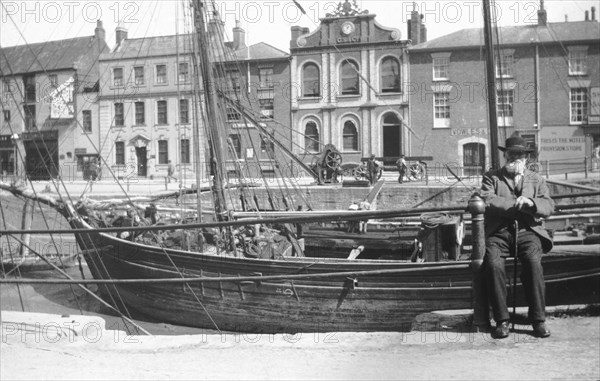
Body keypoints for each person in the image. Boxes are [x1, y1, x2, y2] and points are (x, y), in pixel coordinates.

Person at [479, 135, 554, 339]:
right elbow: (487, 199)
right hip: (499, 233)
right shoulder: (491, 177)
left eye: (519, 155)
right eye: (511, 154)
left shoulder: (537, 179)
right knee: (493, 265)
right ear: (505, 156)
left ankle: (538, 320)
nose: (515, 158)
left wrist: (531, 203)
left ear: (526, 158)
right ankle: (502, 321)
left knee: (533, 263)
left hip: (528, 232)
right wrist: (515, 206)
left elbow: (548, 206)